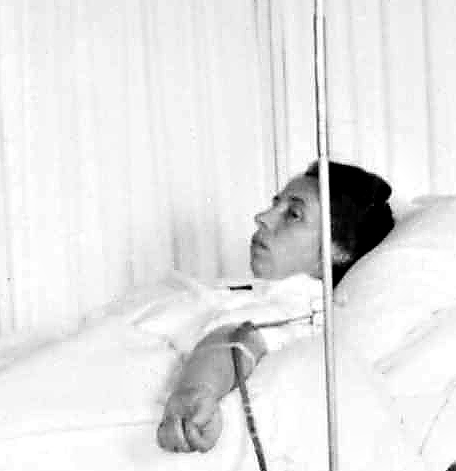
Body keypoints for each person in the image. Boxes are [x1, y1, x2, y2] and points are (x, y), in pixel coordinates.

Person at [156, 161, 395, 453]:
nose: (262, 218)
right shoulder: (253, 290)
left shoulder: (300, 310)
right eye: (274, 205)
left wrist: (197, 389)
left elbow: (239, 338)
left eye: (293, 214)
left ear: (338, 251)